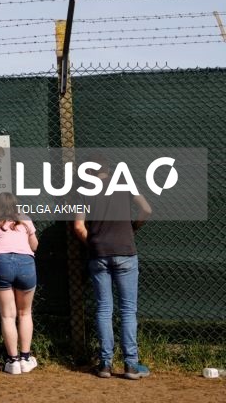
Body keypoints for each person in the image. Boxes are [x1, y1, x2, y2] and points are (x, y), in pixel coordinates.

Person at [73, 155, 152, 380]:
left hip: (98, 254)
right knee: (128, 310)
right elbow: (146, 209)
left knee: (103, 309)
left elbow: (79, 227)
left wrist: (95, 243)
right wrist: (133, 227)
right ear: (108, 168)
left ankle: (105, 364)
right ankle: (131, 365)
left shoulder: (84, 190)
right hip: (125, 250)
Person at [0, 192, 38, 375]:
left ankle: (12, 362)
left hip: (1, 262)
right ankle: (26, 358)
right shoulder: (24, 219)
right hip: (25, 262)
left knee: (7, 315)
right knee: (25, 313)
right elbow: (34, 246)